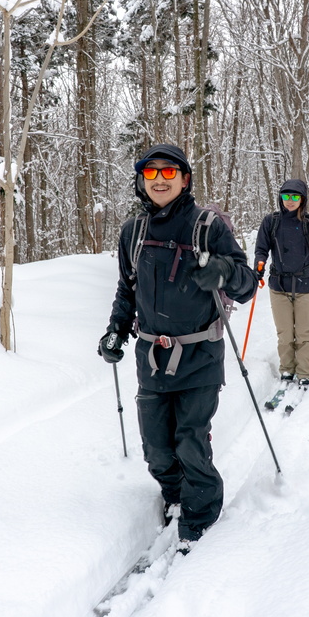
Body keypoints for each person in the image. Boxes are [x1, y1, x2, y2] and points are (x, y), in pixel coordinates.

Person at [98, 143, 257, 551]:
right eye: (151, 173)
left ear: (185, 179)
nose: (160, 180)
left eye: (169, 172)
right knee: (156, 448)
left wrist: (222, 271)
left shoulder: (207, 227)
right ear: (142, 182)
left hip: (200, 354)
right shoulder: (133, 232)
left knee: (190, 439)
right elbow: (126, 288)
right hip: (151, 356)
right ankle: (174, 495)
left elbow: (246, 284)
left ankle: (200, 514)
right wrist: (116, 328)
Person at [253, 178, 309, 389]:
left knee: (304, 332)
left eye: (295, 196)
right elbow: (261, 248)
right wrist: (259, 264)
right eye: (286, 196)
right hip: (279, 286)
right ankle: (287, 369)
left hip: (306, 285)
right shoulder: (271, 221)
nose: (290, 201)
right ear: (281, 198)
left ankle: (305, 371)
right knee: (285, 333)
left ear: (302, 199)